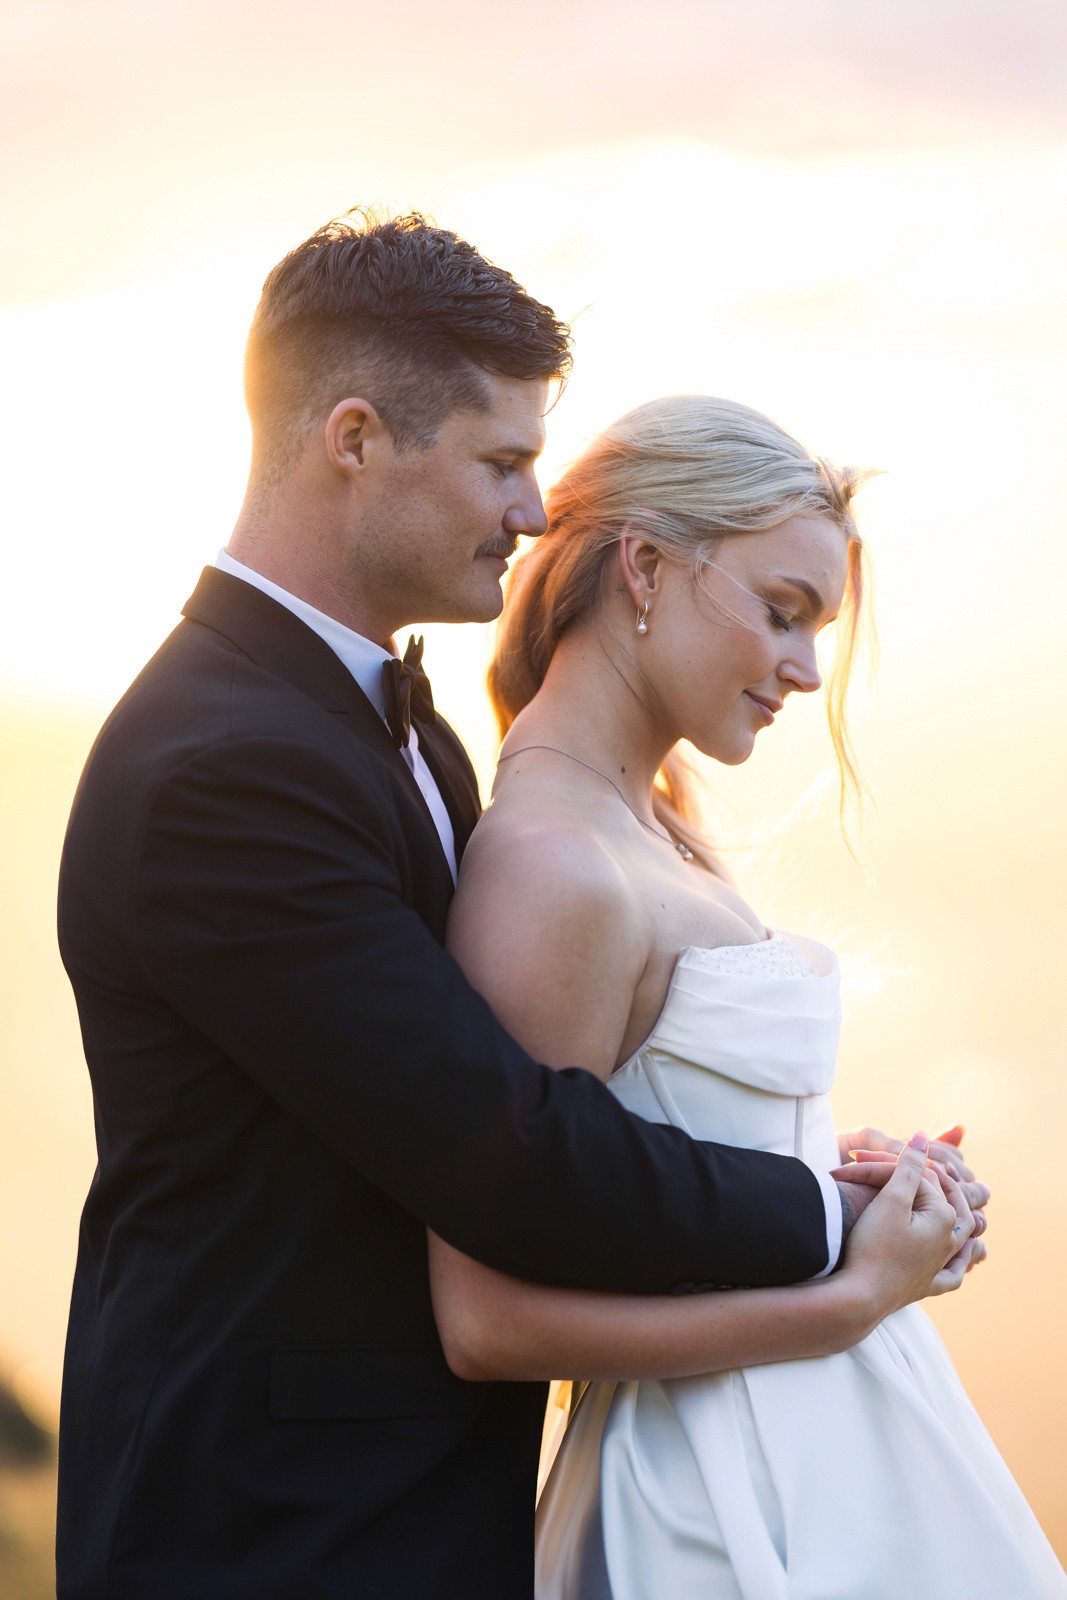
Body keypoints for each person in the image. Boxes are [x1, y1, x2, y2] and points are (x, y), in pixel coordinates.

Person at [56, 213, 973, 1600]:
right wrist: (822, 1229)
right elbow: (506, 1148)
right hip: (264, 1535)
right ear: (353, 438)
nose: (538, 511)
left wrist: (780, 1157)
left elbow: (515, 1091)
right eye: (502, 461)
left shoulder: (402, 736)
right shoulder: (221, 768)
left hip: (405, 1514)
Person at [429, 395, 1065, 1598]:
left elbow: (649, 1162)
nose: (802, 668)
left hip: (832, 1445)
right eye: (781, 613)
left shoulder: (652, 823)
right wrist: (841, 1301)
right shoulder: (549, 871)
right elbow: (488, 1320)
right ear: (646, 566)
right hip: (714, 1494)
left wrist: (860, 1187)